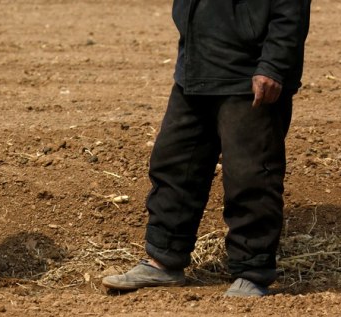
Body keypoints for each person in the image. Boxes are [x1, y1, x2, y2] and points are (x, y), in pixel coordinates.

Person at [102, 0, 311, 297]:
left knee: (250, 176)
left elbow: (291, 7)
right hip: (195, 68)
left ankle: (252, 272)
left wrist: (274, 65)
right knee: (174, 165)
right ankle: (163, 260)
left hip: (249, 75)